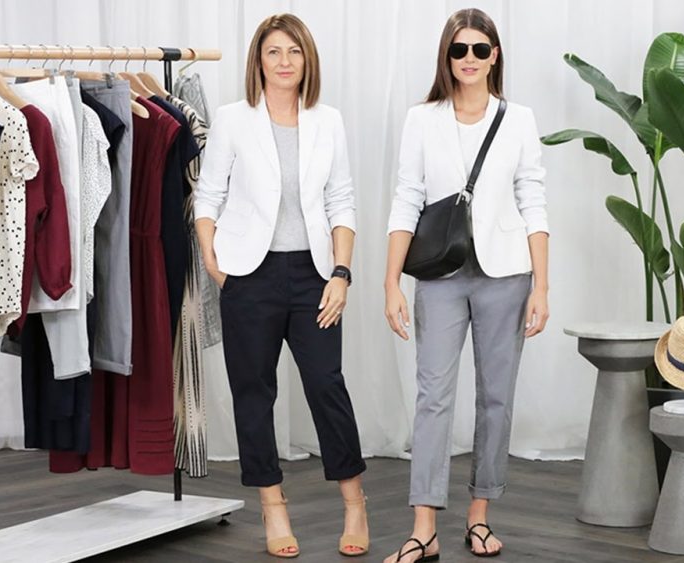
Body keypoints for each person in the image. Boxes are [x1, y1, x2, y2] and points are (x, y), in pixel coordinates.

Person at [194, 13, 369, 559]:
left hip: (315, 274)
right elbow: (208, 197)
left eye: (294, 51)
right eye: (274, 51)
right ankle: (273, 505)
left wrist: (340, 273)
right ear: (259, 61)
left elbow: (341, 200)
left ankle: (354, 501)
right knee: (253, 392)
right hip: (250, 274)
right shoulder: (232, 120)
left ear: (307, 59)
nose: (285, 61)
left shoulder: (328, 121)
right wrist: (214, 263)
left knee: (326, 385)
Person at [383, 8, 550, 561]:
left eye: (481, 49)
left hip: (507, 275)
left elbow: (533, 200)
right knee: (433, 395)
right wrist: (390, 282)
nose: (470, 58)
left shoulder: (518, 119)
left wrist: (542, 286)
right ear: (447, 57)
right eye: (460, 50)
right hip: (440, 275)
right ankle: (424, 528)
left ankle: (479, 516)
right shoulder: (422, 119)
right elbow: (407, 198)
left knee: (496, 397)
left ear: (495, 55)